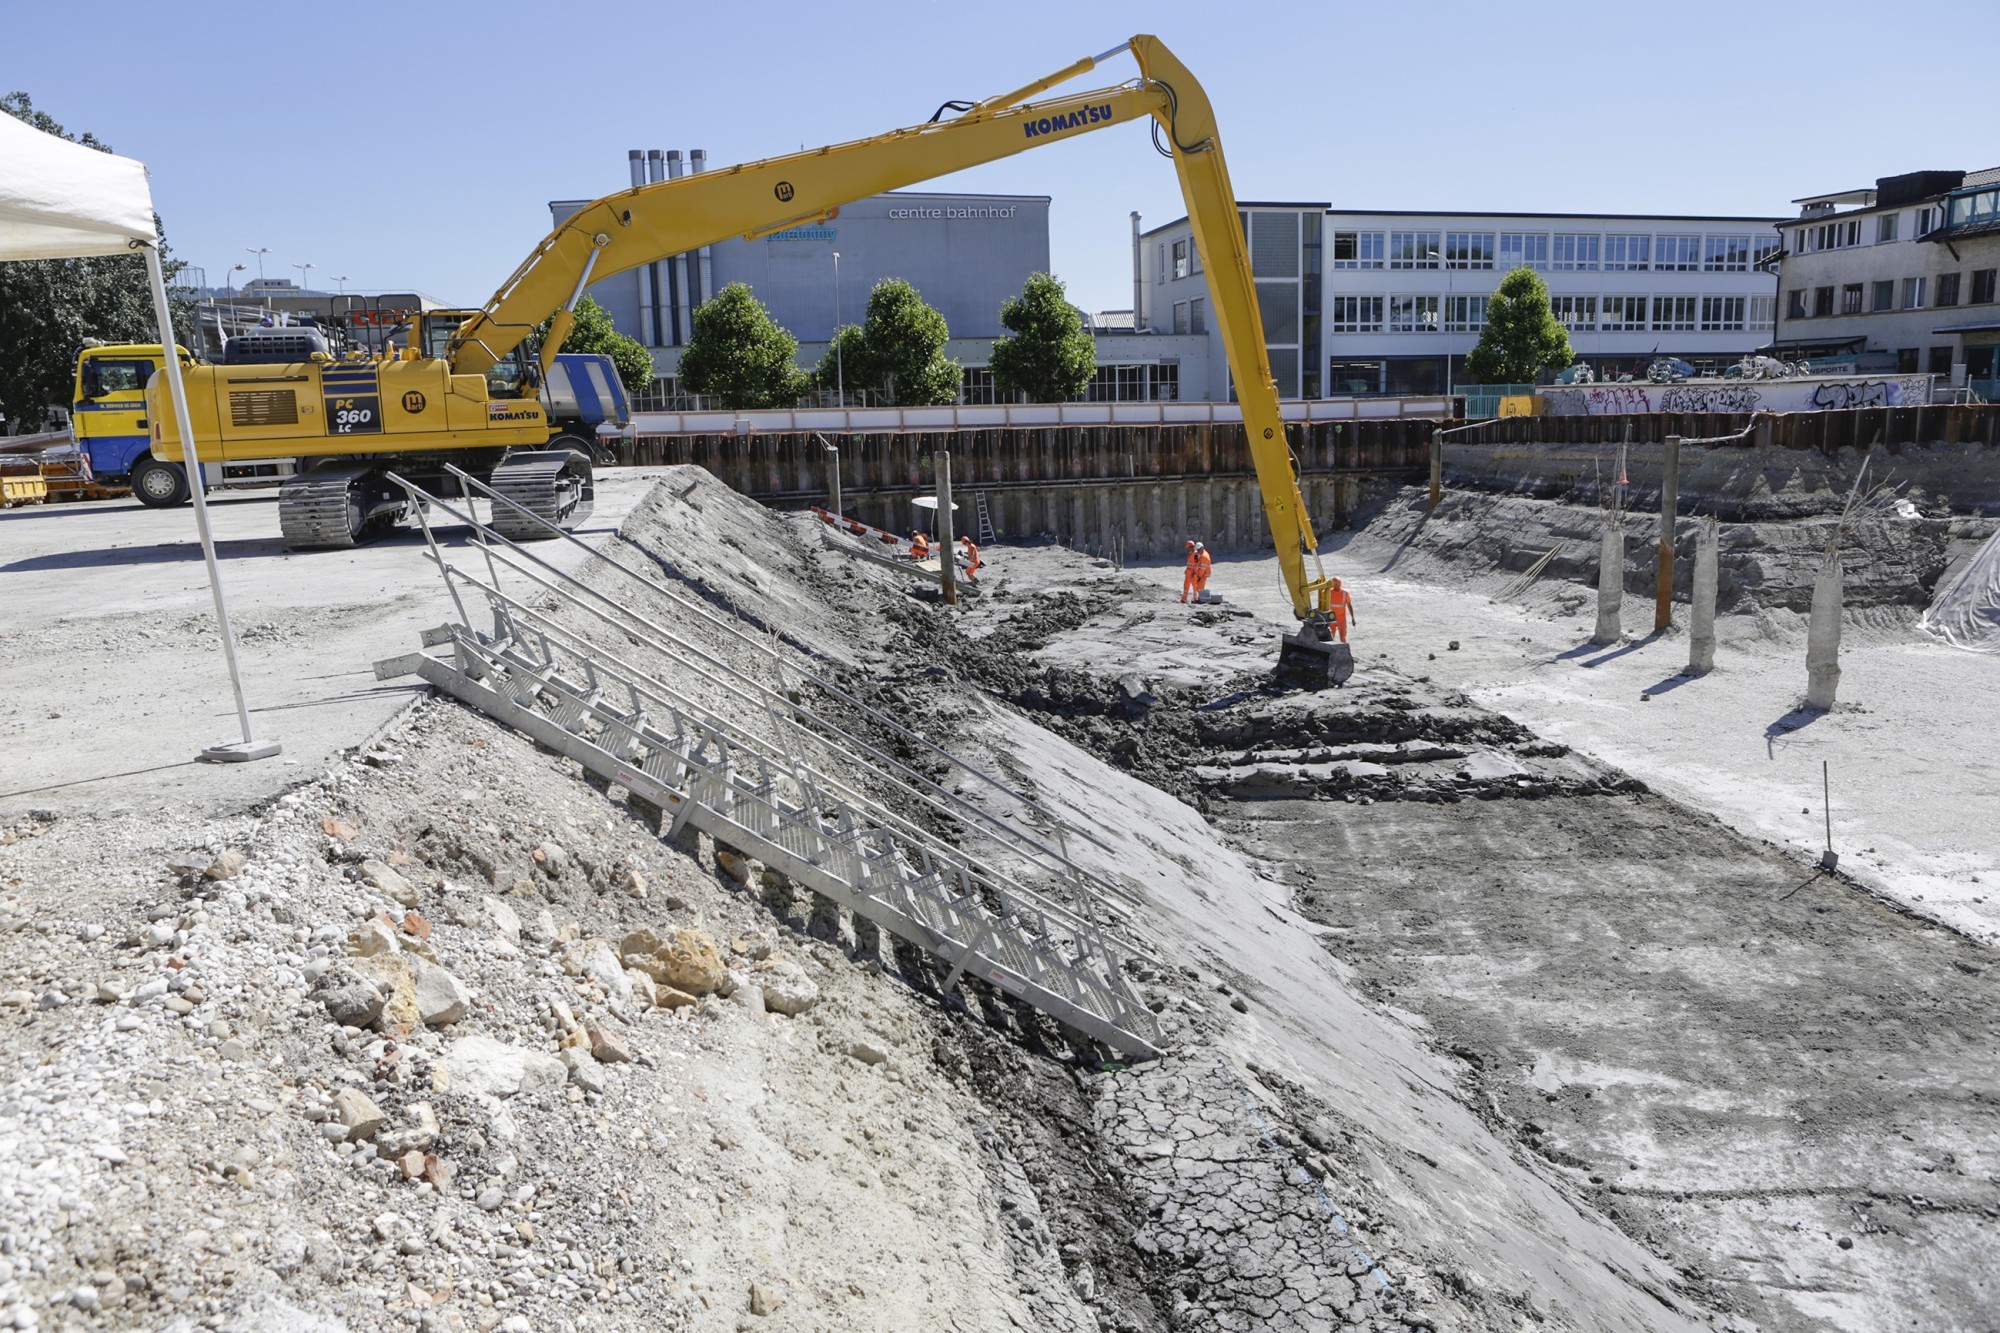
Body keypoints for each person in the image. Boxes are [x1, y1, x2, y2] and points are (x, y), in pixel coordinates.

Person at [1325, 576, 1356, 642]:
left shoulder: (1345, 593)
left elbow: (1349, 605)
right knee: (1330, 636)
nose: (1336, 586)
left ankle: (1343, 650)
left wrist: (1352, 617)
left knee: (1342, 636)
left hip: (1341, 618)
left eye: (1337, 584)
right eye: (1335, 584)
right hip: (1331, 618)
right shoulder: (1329, 592)